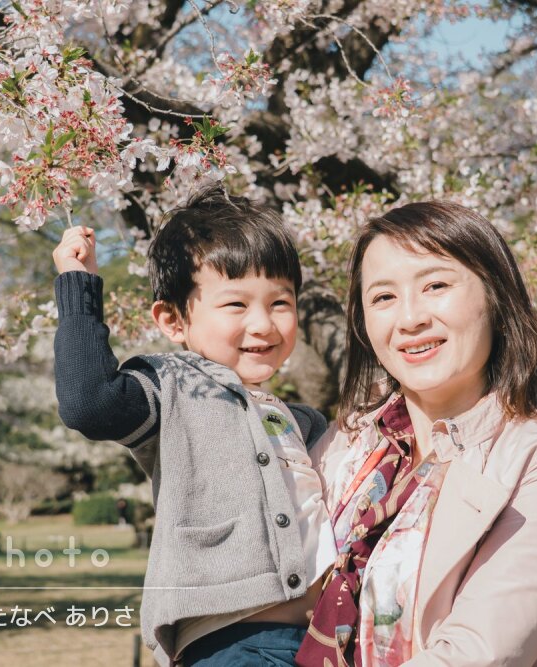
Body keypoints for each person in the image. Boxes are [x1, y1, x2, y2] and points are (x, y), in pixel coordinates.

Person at [298, 201, 537, 667]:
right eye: (383, 297)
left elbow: (480, 650)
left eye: (435, 285)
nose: (410, 318)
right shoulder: (347, 443)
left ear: (495, 297)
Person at [52, 185, 335, 666]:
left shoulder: (299, 421)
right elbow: (89, 404)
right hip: (233, 647)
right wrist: (78, 286)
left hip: (316, 645)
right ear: (173, 320)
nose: (264, 324)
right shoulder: (174, 387)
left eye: (280, 303)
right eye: (236, 305)